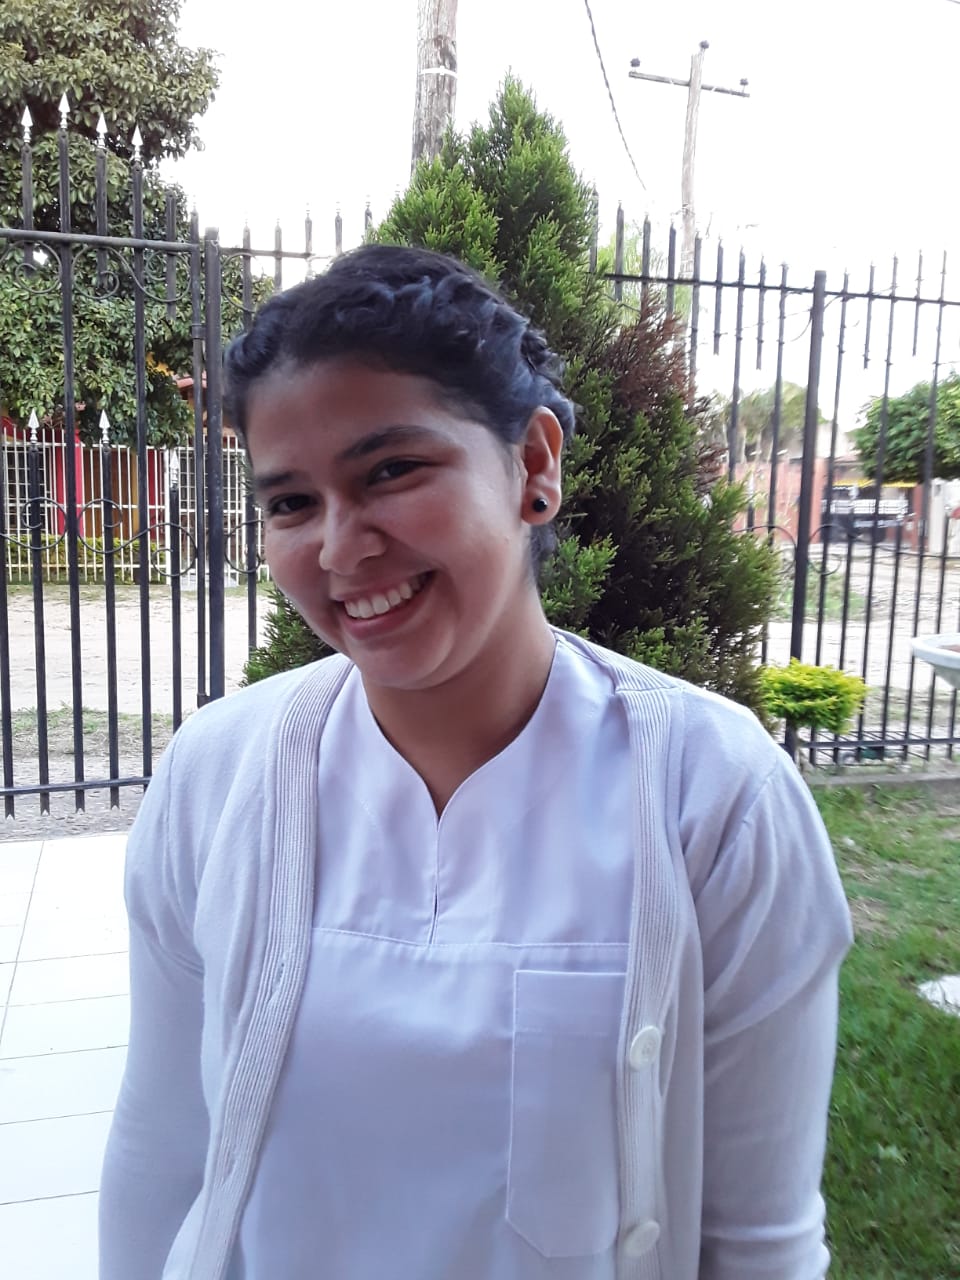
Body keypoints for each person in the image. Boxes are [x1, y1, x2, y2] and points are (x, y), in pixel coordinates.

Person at [98, 244, 853, 1280]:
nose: (340, 547)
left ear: (533, 464)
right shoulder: (218, 778)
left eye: (391, 471)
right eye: (291, 503)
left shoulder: (714, 799)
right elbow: (160, 1153)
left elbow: (761, 1242)